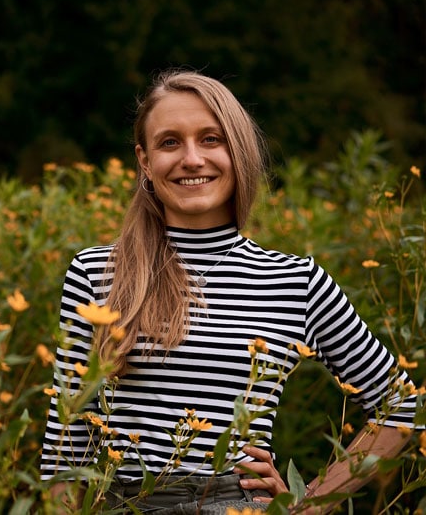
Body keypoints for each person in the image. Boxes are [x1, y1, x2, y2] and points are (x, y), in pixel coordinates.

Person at [40, 69, 420, 514]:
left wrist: (310, 503)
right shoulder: (96, 272)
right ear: (144, 161)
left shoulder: (295, 281)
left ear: (237, 151)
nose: (192, 159)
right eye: (169, 143)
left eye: (210, 139)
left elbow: (401, 408)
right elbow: (66, 449)